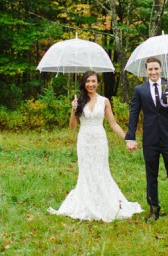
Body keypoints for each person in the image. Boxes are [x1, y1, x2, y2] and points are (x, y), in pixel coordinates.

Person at [48, 70, 143, 222]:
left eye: (93, 81)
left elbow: (113, 123)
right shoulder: (79, 100)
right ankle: (86, 202)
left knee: (100, 170)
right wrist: (73, 110)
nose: (91, 84)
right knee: (86, 170)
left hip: (99, 140)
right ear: (84, 83)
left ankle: (104, 202)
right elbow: (72, 127)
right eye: (88, 81)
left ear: (98, 83)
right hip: (84, 140)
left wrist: (128, 138)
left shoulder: (104, 101)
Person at [125, 56, 168, 221]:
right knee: (151, 175)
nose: (153, 72)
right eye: (150, 69)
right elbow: (133, 113)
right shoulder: (140, 90)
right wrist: (130, 137)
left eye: (156, 69)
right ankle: (154, 210)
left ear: (161, 70)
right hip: (150, 139)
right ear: (146, 71)